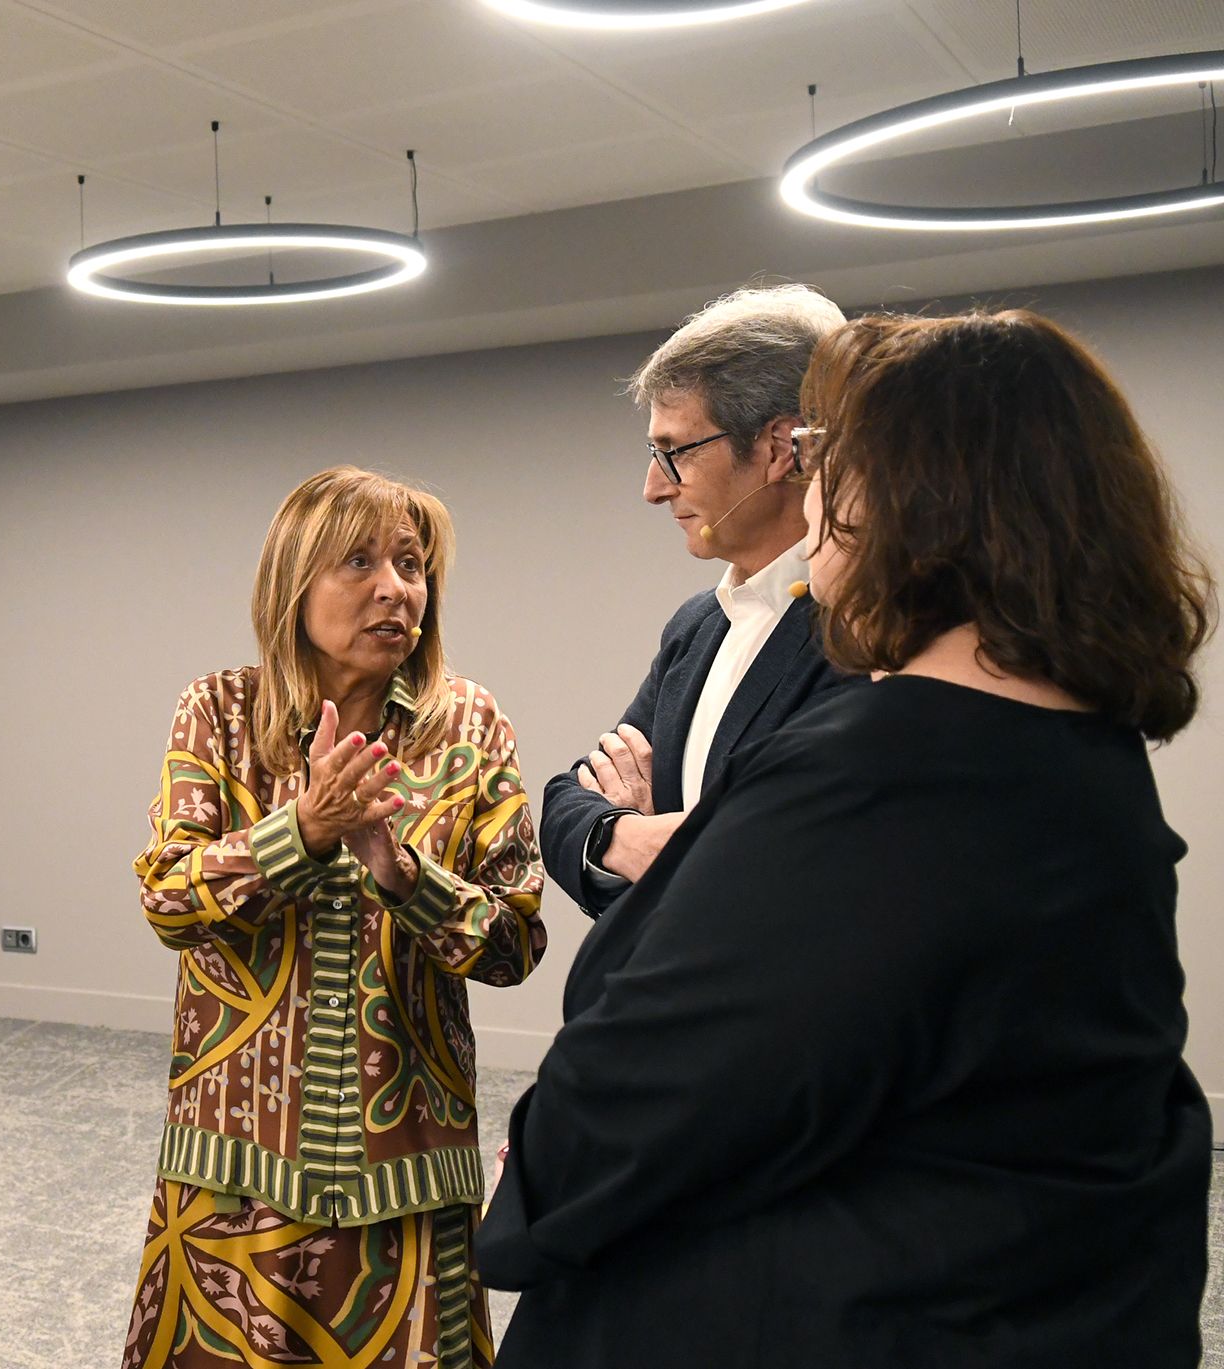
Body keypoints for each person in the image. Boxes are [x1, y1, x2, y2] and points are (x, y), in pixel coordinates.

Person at [477, 309, 1214, 1367]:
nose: (810, 492)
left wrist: (534, 1176)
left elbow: (650, 1091)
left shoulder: (880, 771)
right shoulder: (1080, 759)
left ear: (915, 500)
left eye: (827, 461)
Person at [122, 466, 546, 1369]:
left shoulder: (467, 728)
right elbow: (168, 895)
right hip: (235, 1168)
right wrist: (301, 833)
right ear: (294, 582)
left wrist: (401, 871)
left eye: (412, 564)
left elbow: (515, 942)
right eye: (361, 561)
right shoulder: (221, 712)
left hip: (408, 1174)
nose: (397, 588)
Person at [541, 284, 856, 918]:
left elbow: (774, 864)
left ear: (779, 446)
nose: (654, 488)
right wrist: (622, 836)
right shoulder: (698, 626)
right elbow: (563, 803)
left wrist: (662, 842)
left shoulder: (863, 635)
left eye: (675, 452)